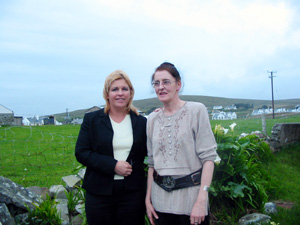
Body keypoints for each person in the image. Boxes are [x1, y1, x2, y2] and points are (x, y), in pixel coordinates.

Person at [145, 62, 219, 225]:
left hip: (191, 201)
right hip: (160, 203)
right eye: (156, 83)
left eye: (166, 82)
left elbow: (208, 159)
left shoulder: (196, 111)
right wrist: (148, 200)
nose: (160, 87)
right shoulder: (151, 119)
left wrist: (201, 199)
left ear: (178, 84)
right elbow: (152, 163)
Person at [75, 70, 147, 225]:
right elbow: (81, 152)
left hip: (132, 194)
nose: (120, 93)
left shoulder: (142, 122)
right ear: (107, 94)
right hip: (99, 193)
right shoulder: (92, 120)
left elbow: (150, 152)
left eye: (124, 89)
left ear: (131, 93)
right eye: (115, 89)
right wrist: (113, 165)